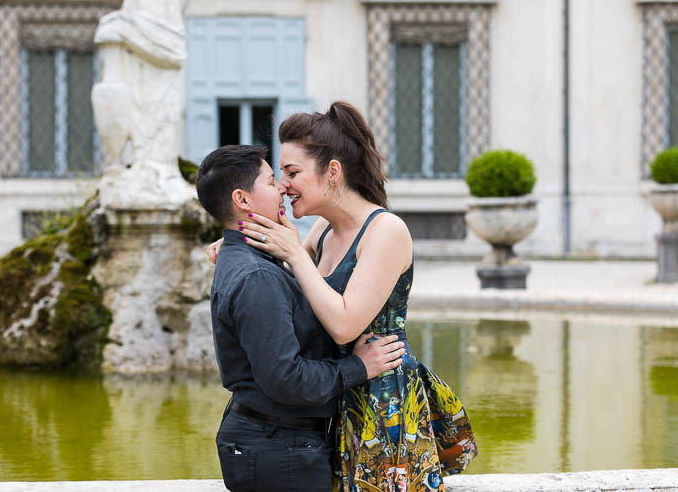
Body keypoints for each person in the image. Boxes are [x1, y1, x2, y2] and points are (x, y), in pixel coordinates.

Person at [220, 103, 478, 491]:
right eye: (280, 175)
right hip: (337, 393)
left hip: (384, 403)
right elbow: (283, 289)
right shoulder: (323, 230)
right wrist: (237, 248)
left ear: (333, 172)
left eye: (292, 173)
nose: (284, 185)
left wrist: (292, 253)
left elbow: (343, 326)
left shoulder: (385, 230)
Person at [196, 144, 406, 492]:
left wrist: (237, 241)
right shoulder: (256, 276)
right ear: (242, 200)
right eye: (271, 180)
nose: (282, 187)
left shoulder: (256, 257)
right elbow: (287, 379)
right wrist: (360, 368)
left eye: (289, 175)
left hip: (279, 443)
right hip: (279, 450)